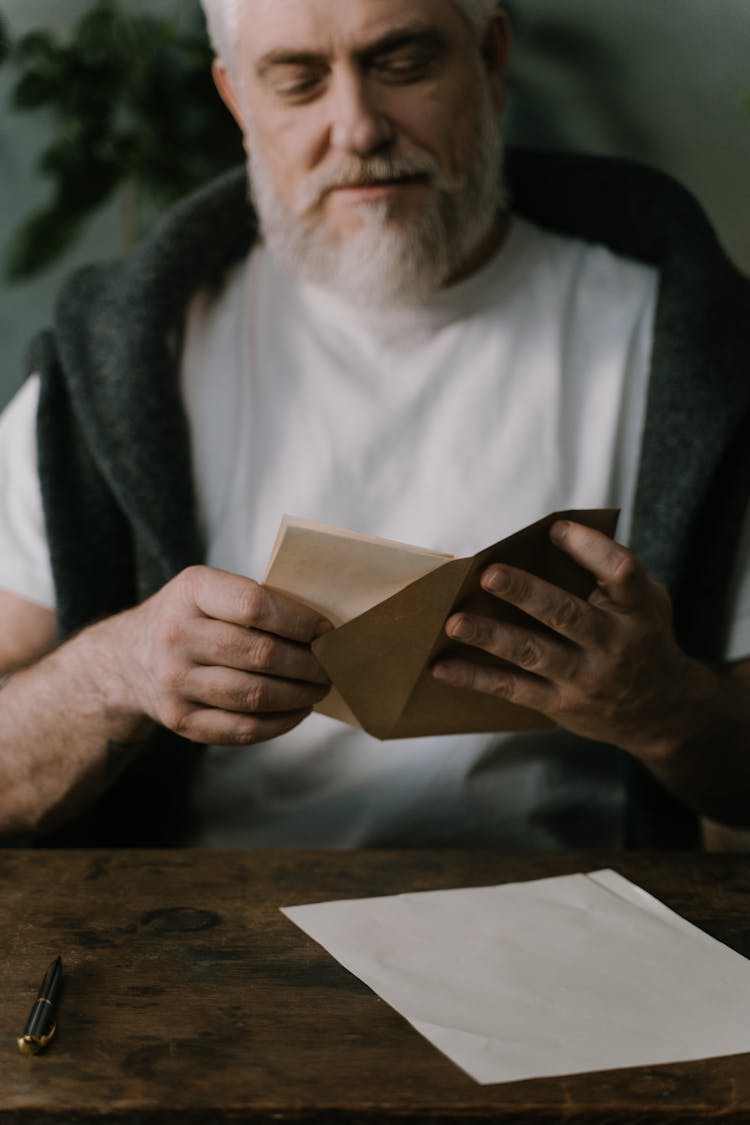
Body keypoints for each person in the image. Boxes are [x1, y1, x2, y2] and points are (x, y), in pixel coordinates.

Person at [0, 0, 748, 848]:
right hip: (211, 938)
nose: (356, 128)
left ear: (492, 59)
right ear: (238, 102)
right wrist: (116, 669)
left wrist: (666, 709)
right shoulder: (116, 359)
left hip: (570, 921)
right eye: (297, 80)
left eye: (403, 64)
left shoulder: (693, 348)